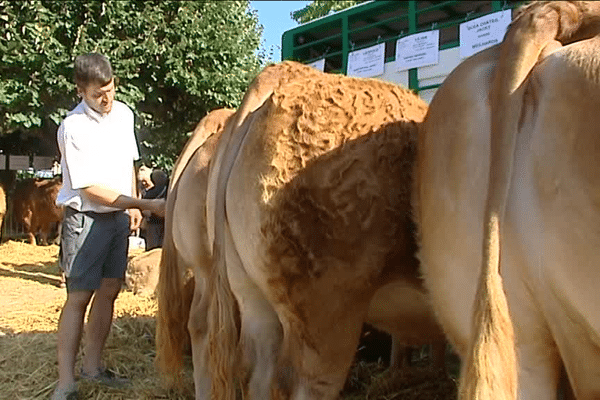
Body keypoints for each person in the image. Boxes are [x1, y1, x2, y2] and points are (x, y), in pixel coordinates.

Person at [51, 53, 164, 400]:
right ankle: (65, 382)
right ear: (80, 90)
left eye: (111, 89)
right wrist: (144, 204)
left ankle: (94, 368)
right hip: (85, 219)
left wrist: (132, 204)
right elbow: (90, 189)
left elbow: (128, 163)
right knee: (79, 297)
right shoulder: (72, 128)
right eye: (98, 93)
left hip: (117, 218)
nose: (107, 98)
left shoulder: (125, 115)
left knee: (110, 291)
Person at [141, 168, 168, 250]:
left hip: (152, 225)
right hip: (166, 224)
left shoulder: (149, 193)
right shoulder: (171, 191)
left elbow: (144, 210)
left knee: (152, 250)